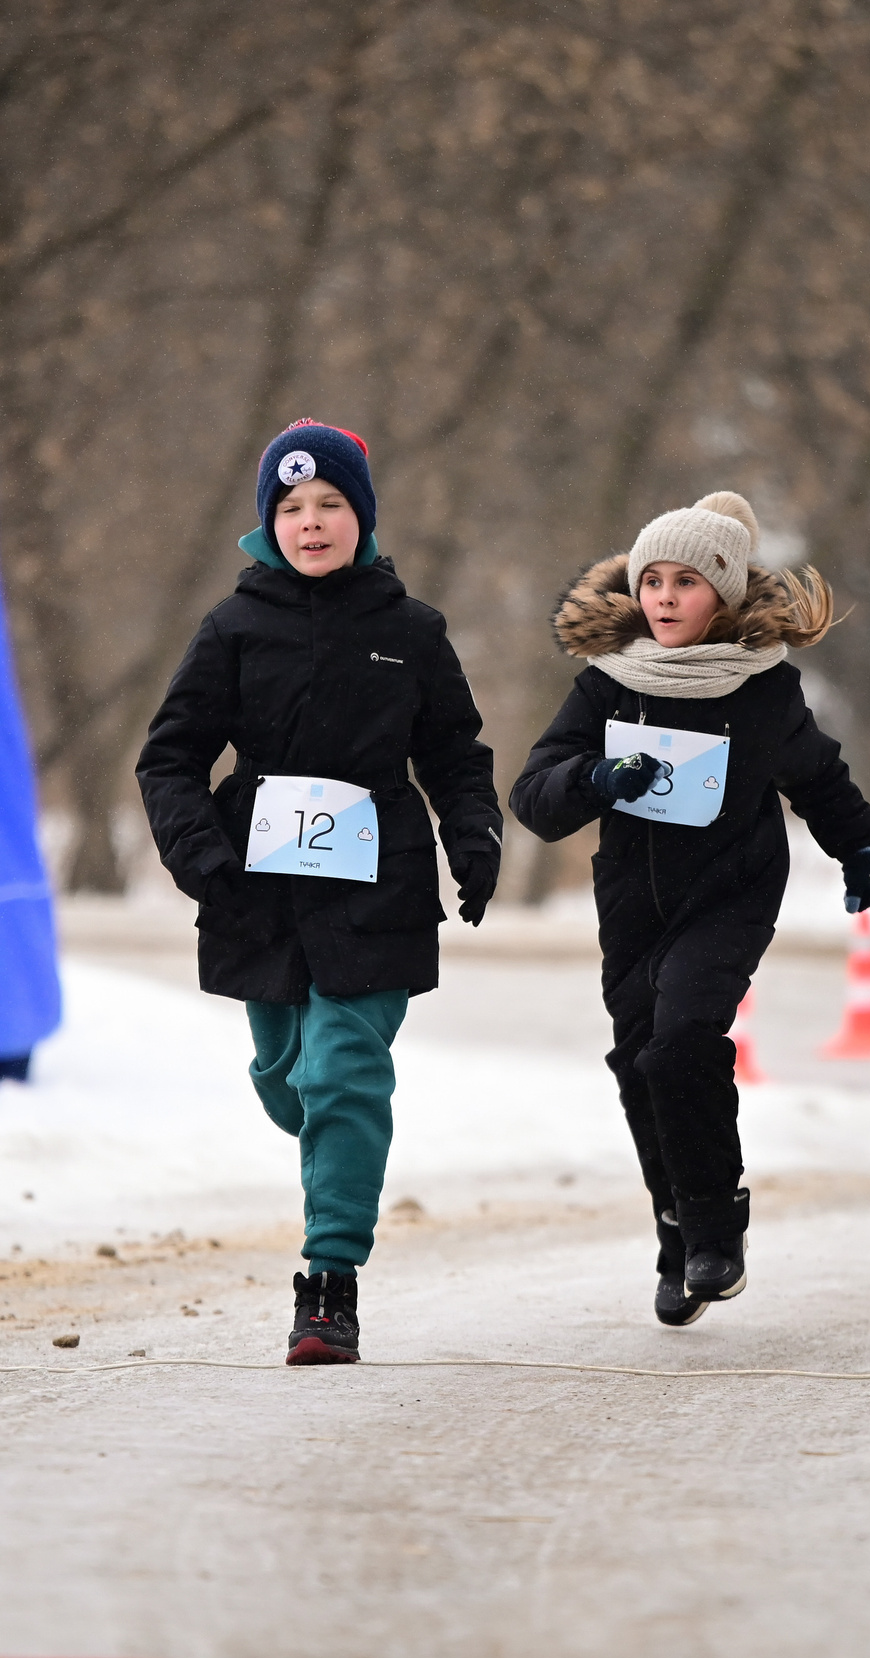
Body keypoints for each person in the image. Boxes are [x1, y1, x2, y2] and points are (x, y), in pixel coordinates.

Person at [136, 420, 502, 1365]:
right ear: (269, 522)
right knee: (288, 1079)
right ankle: (333, 1139)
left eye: (331, 504)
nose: (311, 522)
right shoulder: (232, 627)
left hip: (378, 887)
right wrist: (200, 858)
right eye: (292, 507)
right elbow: (169, 759)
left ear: (362, 518)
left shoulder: (412, 632)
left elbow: (456, 756)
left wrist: (475, 837)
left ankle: (329, 1284)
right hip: (258, 891)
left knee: (343, 1072)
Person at [511, 492, 870, 1326]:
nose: (666, 598)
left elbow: (818, 776)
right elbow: (533, 798)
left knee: (681, 1045)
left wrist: (856, 847)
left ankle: (716, 1230)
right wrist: (595, 779)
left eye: (687, 582)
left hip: (729, 897)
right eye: (653, 581)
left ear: (724, 593)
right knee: (639, 1063)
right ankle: (675, 1231)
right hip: (632, 903)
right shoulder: (607, 685)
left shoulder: (763, 689)